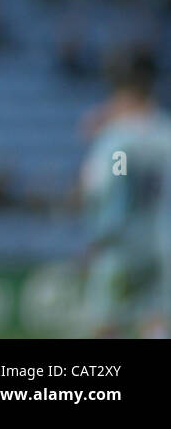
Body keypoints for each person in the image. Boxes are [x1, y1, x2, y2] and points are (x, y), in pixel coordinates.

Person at [79, 47, 171, 337]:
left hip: (119, 243)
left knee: (105, 323)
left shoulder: (116, 137)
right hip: (160, 240)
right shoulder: (165, 133)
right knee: (155, 320)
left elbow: (101, 187)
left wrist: (98, 237)